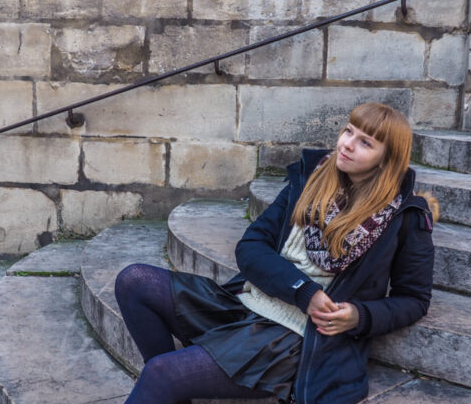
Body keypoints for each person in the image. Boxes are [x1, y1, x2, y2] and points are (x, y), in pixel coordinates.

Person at [114, 102, 436, 404]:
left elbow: (414, 299)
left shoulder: (401, 217)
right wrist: (302, 290)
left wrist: (360, 316)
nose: (347, 144)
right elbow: (251, 247)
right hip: (246, 303)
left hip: (297, 339)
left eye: (366, 142)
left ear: (387, 159)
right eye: (349, 131)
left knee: (162, 372)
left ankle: (166, 387)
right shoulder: (311, 180)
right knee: (134, 281)